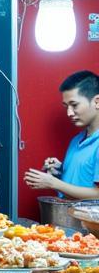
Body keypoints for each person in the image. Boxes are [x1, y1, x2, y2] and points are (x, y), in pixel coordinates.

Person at [24, 70, 99, 201]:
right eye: (66, 107)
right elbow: (80, 182)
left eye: (74, 105)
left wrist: (53, 183)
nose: (69, 113)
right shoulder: (76, 140)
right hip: (68, 218)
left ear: (97, 102)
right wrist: (60, 171)